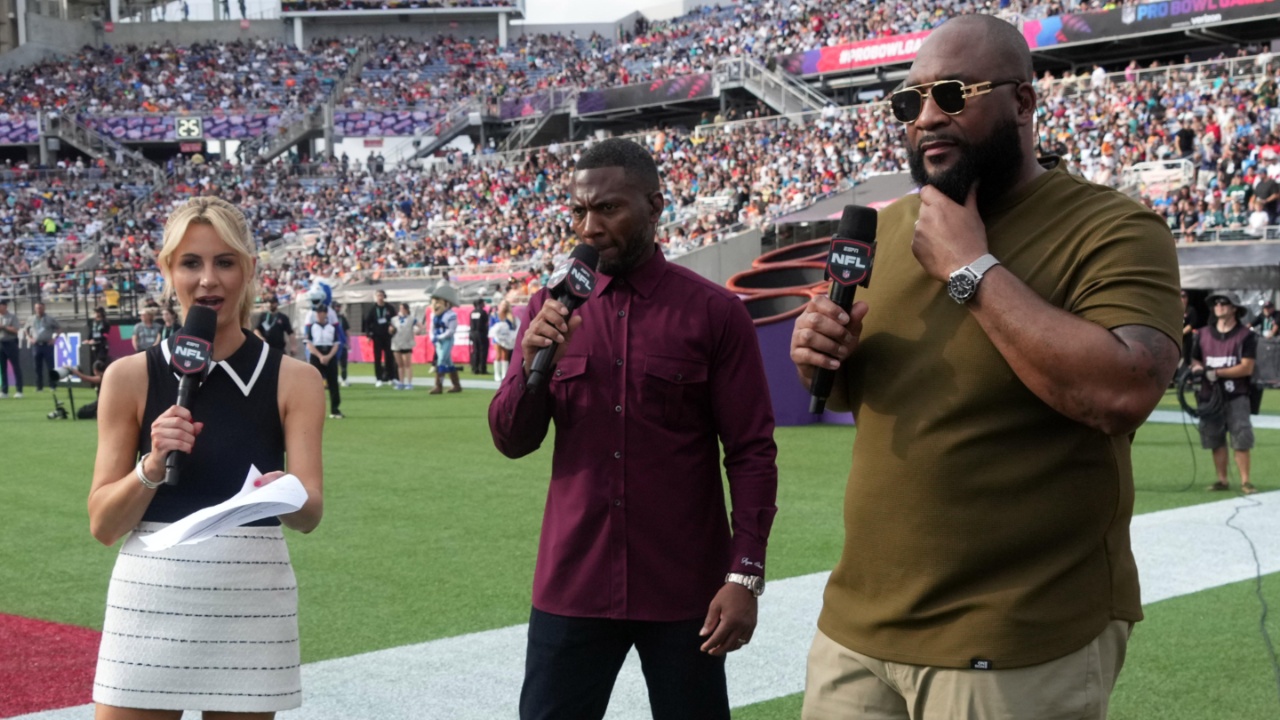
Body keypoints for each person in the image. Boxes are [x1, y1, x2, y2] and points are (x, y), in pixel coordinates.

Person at [789, 16, 1181, 719]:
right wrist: (820, 351)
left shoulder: (1113, 228)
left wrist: (971, 268)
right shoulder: (886, 228)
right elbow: (868, 390)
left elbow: (1121, 392)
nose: (927, 117)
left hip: (1012, 637)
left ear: (1024, 103)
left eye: (952, 93)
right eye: (909, 102)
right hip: (855, 629)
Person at [489, 138, 778, 720]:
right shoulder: (549, 308)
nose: (589, 227)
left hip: (685, 588)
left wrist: (744, 574)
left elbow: (750, 452)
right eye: (578, 211)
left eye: (609, 208)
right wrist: (534, 364)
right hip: (573, 582)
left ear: (655, 205)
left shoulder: (715, 314)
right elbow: (512, 439)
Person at [87, 196, 325, 717]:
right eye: (191, 263)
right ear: (168, 270)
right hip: (149, 601)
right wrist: (150, 467)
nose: (208, 280)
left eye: (225, 262)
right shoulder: (127, 377)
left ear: (250, 270)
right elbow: (104, 525)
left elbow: (309, 515)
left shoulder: (297, 380)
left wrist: (281, 494)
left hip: (250, 602)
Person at [1191, 290, 1258, 494]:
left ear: (1234, 308)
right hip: (1209, 395)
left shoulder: (1246, 336)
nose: (1218, 306)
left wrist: (1217, 372)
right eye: (1215, 303)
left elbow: (1247, 367)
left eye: (1223, 303)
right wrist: (1197, 369)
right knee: (1214, 438)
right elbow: (1195, 360)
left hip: (1236, 394)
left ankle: (1245, 481)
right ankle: (1222, 480)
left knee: (1241, 437)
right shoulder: (1201, 334)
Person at [305, 304, 346, 419]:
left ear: (326, 313)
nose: (319, 314)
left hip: (329, 353)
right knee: (314, 384)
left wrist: (328, 356)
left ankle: (335, 409)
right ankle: (313, 410)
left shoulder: (331, 327)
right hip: (316, 354)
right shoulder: (312, 327)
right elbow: (309, 344)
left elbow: (336, 344)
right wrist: (320, 356)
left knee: (333, 383)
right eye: (317, 312)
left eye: (321, 312)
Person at [429, 284, 461, 394]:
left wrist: (439, 337)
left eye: (438, 302)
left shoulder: (451, 315)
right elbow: (431, 328)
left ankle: (438, 385)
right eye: (433, 302)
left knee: (441, 360)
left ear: (446, 304)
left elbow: (451, 331)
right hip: (438, 341)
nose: (435, 305)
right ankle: (456, 385)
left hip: (447, 340)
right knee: (448, 362)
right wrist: (432, 337)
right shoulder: (433, 315)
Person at [22, 301, 61, 392]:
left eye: (40, 308)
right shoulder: (31, 319)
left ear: (44, 308)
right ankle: (39, 386)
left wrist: (55, 339)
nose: (39, 310)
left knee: (50, 366)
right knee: (37, 367)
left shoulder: (50, 319)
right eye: (37, 308)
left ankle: (53, 385)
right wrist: (29, 338)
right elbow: (25, 329)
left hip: (47, 344)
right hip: (37, 345)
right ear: (35, 309)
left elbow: (58, 328)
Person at [364, 289, 398, 387]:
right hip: (377, 337)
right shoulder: (373, 309)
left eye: (381, 295)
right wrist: (368, 335)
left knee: (389, 358)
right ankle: (378, 378)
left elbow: (395, 320)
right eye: (378, 295)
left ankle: (391, 377)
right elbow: (367, 322)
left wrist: (393, 327)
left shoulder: (389, 308)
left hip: (388, 336)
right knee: (377, 358)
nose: (380, 297)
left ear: (384, 296)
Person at [390, 302, 420, 390]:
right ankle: (401, 382)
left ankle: (410, 383)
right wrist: (391, 330)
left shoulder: (411, 319)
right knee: (400, 365)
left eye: (402, 308)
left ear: (406, 309)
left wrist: (417, 331)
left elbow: (419, 326)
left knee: (407, 364)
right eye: (400, 308)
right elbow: (390, 330)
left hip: (407, 343)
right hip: (396, 343)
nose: (401, 310)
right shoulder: (394, 319)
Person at [490, 299, 518, 383]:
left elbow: (512, 328)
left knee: (506, 355)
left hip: (506, 338)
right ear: (499, 305)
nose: (504, 306)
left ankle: (504, 374)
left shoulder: (510, 316)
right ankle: (497, 374)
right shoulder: (494, 315)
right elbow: (491, 326)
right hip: (497, 337)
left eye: (505, 305)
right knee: (498, 354)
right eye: (502, 305)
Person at [0, 297, 22, 398]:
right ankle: (4, 391)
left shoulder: (12, 317)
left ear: (5, 306)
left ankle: (19, 390)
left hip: (10, 342)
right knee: (2, 368)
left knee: (15, 366)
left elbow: (16, 330)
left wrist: (4, 327)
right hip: (1, 343)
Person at [332, 300, 351, 387]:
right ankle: (333, 380)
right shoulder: (329, 318)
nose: (338, 308)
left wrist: (348, 342)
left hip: (342, 343)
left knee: (344, 363)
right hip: (332, 344)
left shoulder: (342, 318)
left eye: (339, 307)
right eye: (336, 306)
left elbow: (347, 331)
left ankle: (344, 379)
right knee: (333, 364)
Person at [469, 297, 490, 376]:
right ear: (480, 304)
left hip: (473, 333)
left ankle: (475, 368)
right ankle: (482, 369)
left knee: (475, 351)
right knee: (483, 351)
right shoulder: (483, 312)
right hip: (481, 334)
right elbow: (486, 323)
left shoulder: (472, 312)